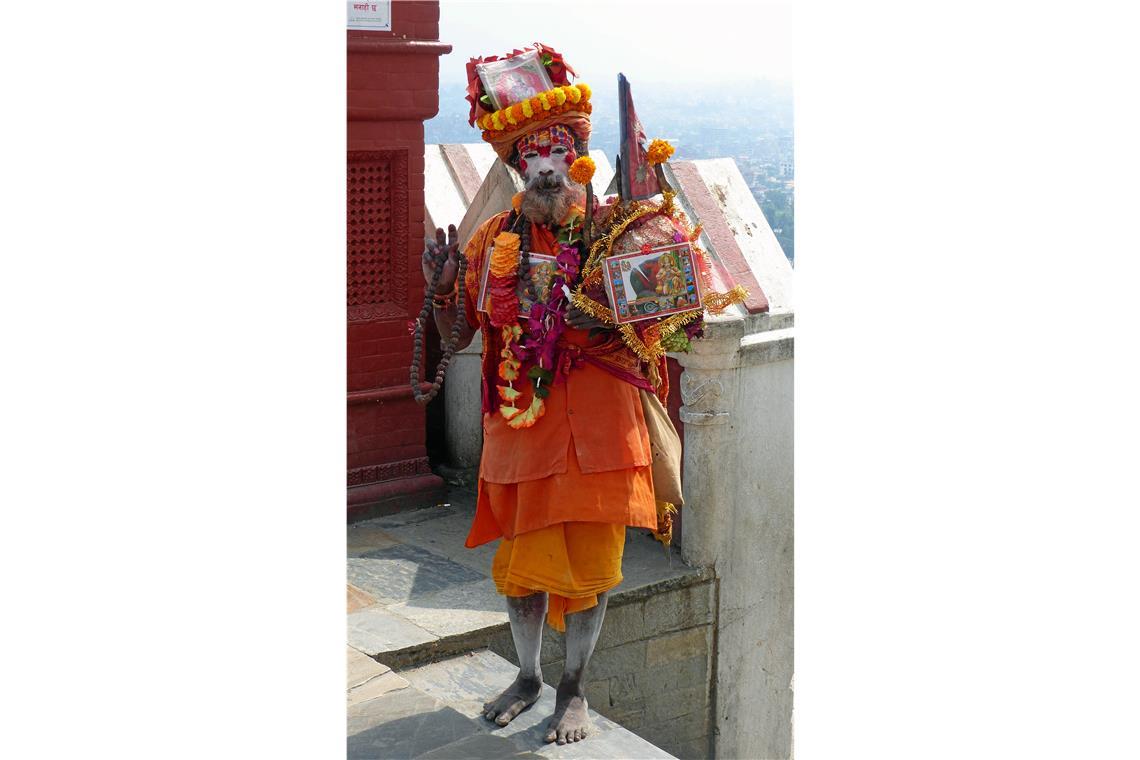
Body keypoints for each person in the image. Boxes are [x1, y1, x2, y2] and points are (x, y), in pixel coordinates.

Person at [420, 46, 664, 746]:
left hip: (599, 433)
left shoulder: (620, 231)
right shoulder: (494, 241)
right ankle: (528, 675)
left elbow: (675, 315)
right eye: (533, 157)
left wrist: (610, 312)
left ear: (582, 158)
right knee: (520, 573)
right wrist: (440, 290)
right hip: (521, 427)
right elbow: (460, 329)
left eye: (559, 152)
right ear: (515, 170)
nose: (547, 166)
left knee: (592, 574)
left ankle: (573, 687)